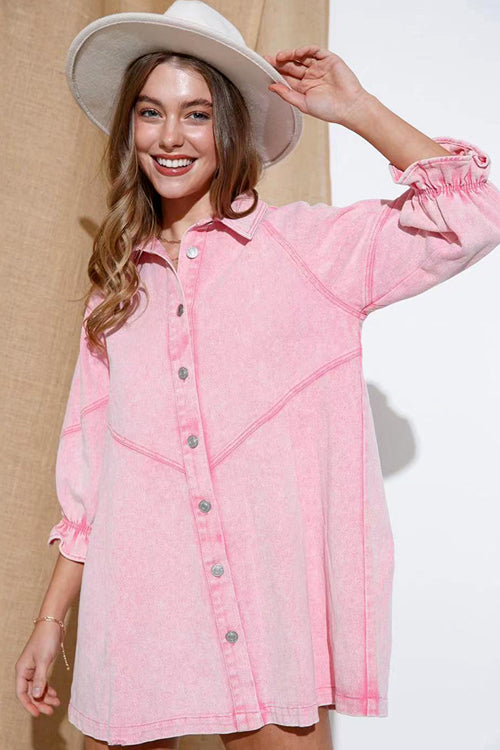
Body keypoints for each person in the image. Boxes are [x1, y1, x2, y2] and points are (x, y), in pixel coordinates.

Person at [14, 1, 500, 749]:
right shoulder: (115, 292)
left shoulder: (310, 249)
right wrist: (51, 621)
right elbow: (89, 477)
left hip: (271, 618)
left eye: (197, 115)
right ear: (130, 129)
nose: (169, 137)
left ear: (230, 127)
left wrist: (359, 109)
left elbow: (473, 214)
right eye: (150, 112)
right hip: (140, 612)